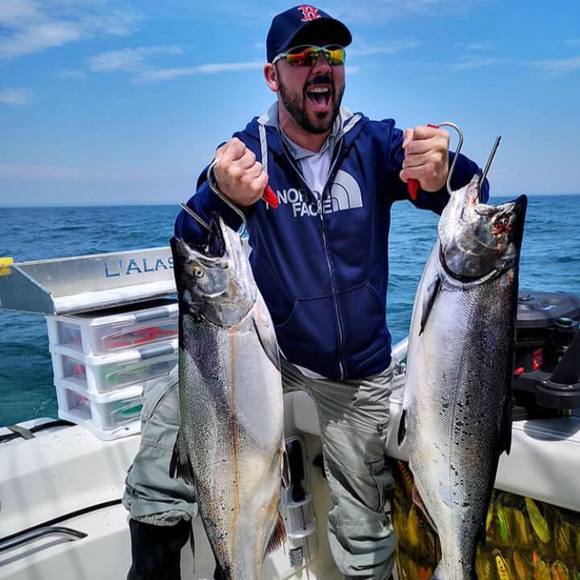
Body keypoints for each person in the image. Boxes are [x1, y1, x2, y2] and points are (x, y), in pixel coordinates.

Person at [125, 5, 489, 579]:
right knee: (170, 401)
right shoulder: (250, 152)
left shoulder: (376, 145)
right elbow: (192, 241)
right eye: (302, 57)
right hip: (275, 358)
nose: (321, 67)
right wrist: (219, 191)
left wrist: (447, 170)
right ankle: (153, 565)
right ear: (273, 76)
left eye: (331, 55)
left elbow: (474, 204)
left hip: (358, 371)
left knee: (364, 527)